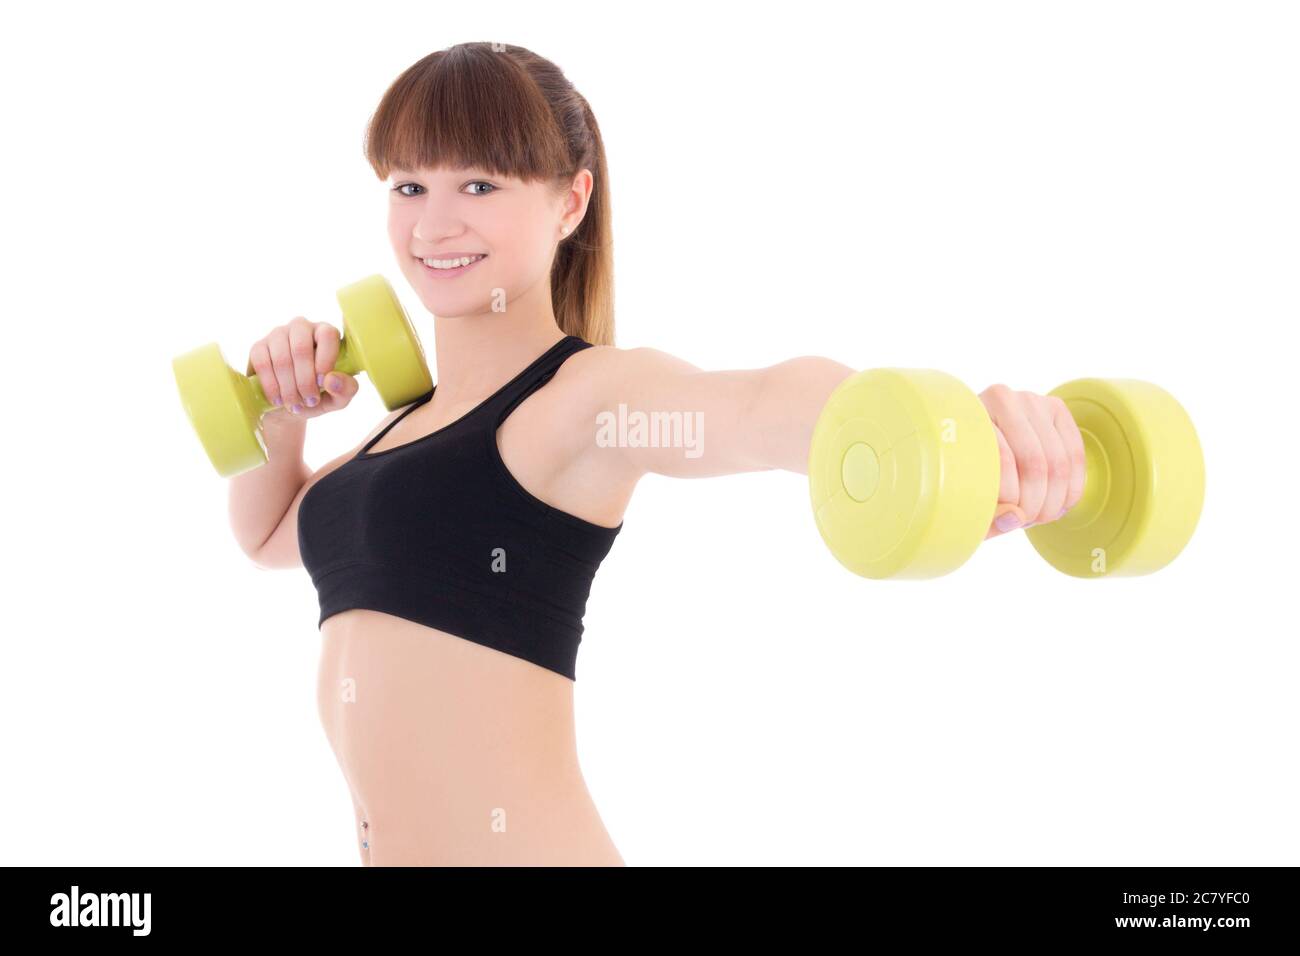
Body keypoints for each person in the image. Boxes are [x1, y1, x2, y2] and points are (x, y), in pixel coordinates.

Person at [227, 42, 1084, 866]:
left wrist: (938, 431)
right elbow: (269, 535)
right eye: (409, 185)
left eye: (479, 183)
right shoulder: (402, 431)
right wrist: (280, 406)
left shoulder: (585, 400)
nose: (434, 222)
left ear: (570, 201)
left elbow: (755, 405)